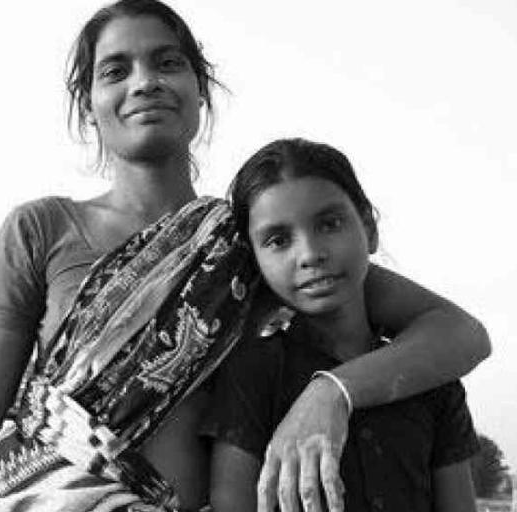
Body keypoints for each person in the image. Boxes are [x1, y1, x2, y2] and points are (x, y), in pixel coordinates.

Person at [0, 1, 490, 511]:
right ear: (89, 104)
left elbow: (460, 334)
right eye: (116, 71)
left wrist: (330, 392)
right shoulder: (42, 226)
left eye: (168, 64)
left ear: (200, 90)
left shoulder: (251, 241)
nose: (145, 83)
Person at [205, 138, 480, 512]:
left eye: (329, 224)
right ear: (254, 259)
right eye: (278, 240)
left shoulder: (433, 381)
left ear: (368, 228)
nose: (310, 254)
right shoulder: (253, 370)